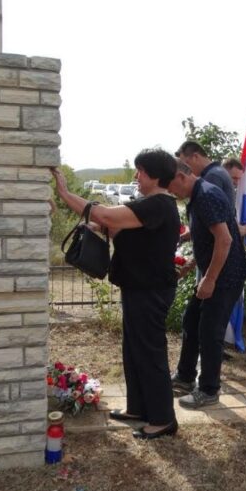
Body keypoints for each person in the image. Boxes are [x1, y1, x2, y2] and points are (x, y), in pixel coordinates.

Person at [51, 149, 180, 440]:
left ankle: (162, 419)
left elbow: (104, 214)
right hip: (138, 288)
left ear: (155, 175)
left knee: (149, 354)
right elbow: (112, 224)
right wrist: (94, 223)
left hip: (150, 291)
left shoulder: (158, 204)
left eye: (140, 171)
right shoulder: (148, 204)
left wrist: (65, 193)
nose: (136, 176)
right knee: (134, 350)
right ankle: (138, 408)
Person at [166, 158, 246, 409]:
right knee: (191, 321)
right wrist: (189, 235)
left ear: (181, 176)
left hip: (225, 277)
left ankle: (209, 389)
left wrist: (210, 279)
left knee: (210, 331)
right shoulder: (199, 194)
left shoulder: (205, 194)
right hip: (215, 274)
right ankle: (185, 376)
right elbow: (215, 226)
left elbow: (224, 240)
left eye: (170, 186)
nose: (171, 192)